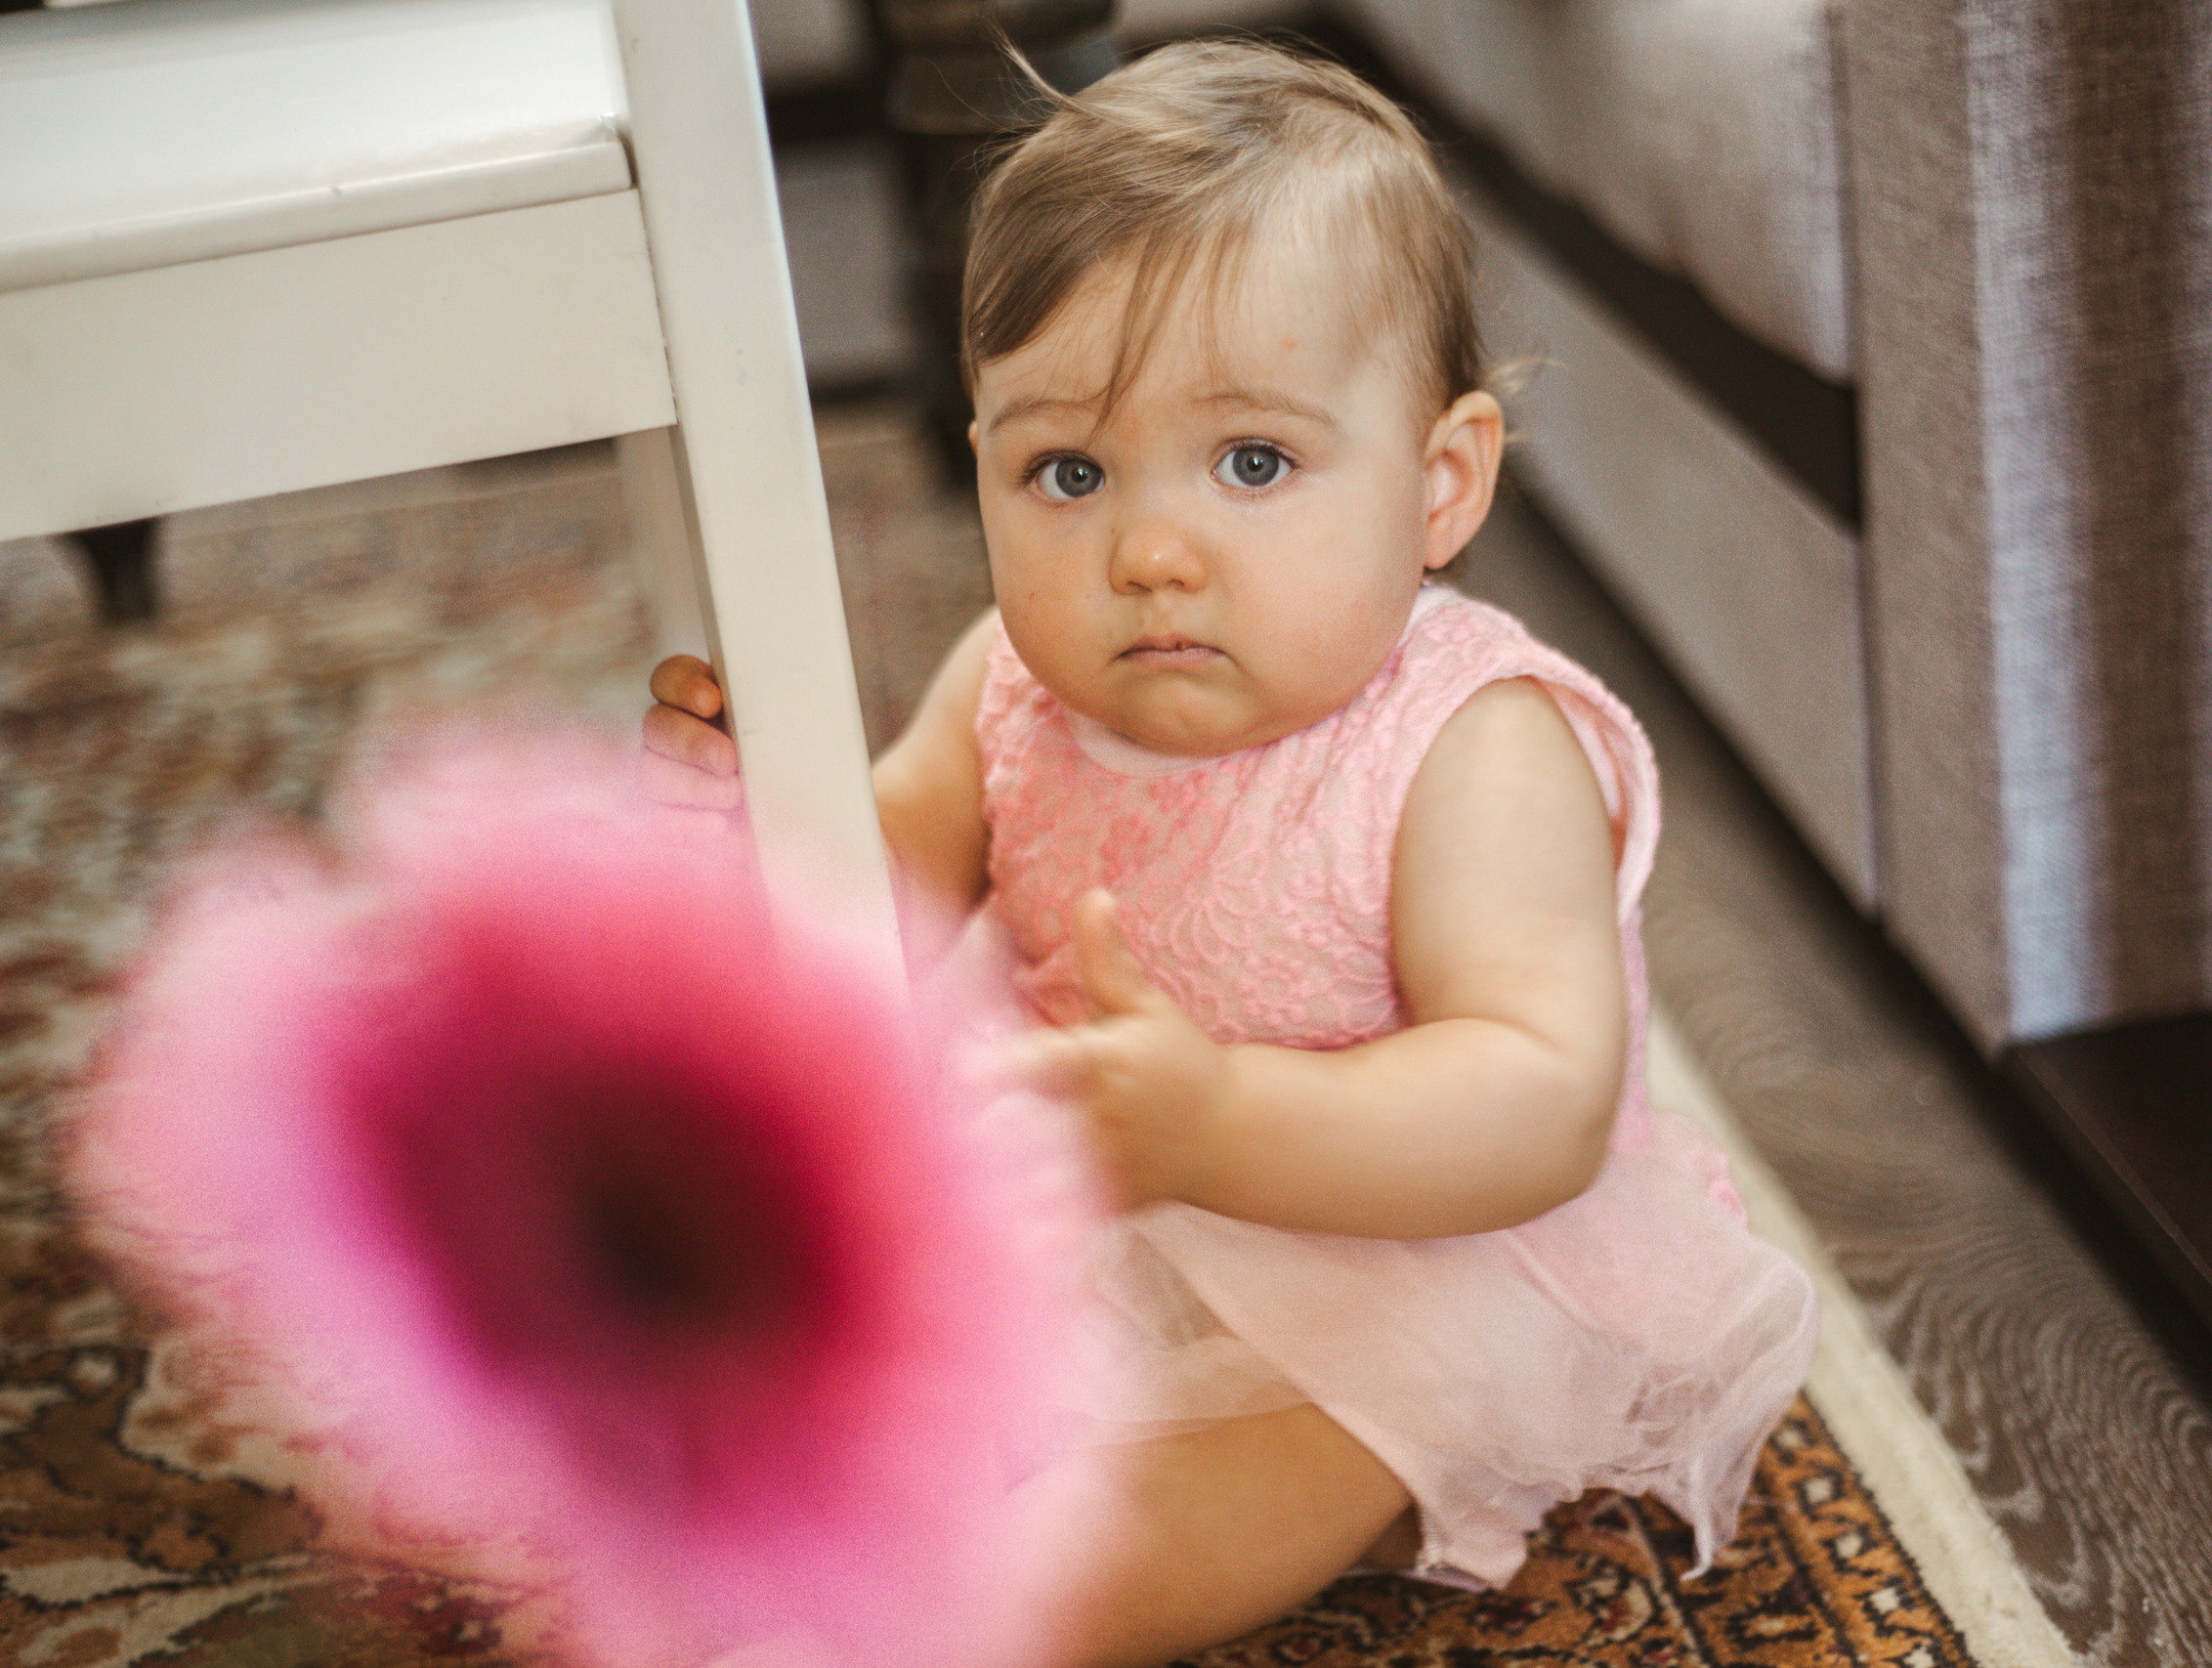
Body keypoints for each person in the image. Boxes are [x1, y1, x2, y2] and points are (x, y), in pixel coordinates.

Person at [642, 40, 1816, 1668]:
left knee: (1262, 1456)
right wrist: (755, 835)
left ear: (1440, 485)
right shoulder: (1007, 677)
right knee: (786, 1291)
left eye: (1253, 464)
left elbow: (1536, 1098)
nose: (1149, 550)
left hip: (1401, 1236)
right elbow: (874, 900)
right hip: (1087, 1165)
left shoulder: (1474, 746)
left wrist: (1222, 1123)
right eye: (1067, 471)